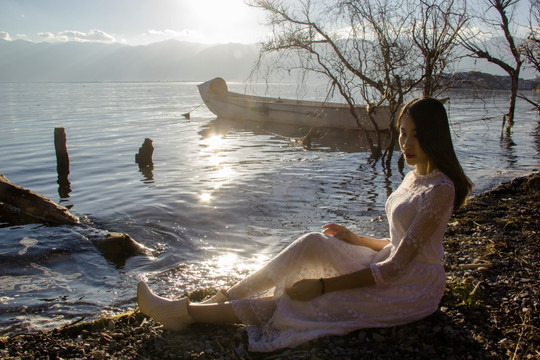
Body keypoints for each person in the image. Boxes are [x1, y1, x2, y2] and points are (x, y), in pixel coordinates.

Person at [137, 97, 474, 352]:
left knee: (297, 303)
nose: (407, 143)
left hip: (412, 288)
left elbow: (398, 265)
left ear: (434, 136)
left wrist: (324, 286)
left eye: (416, 135)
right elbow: (396, 244)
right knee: (313, 242)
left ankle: (187, 314)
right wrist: (353, 237)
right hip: (389, 264)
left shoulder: (440, 190)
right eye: (402, 133)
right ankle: (219, 299)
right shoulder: (415, 176)